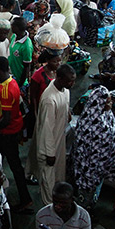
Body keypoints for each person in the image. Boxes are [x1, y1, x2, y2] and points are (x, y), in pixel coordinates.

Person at [0, 56, 33, 212]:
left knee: (7, 165)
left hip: (7, 133)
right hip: (14, 129)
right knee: (5, 163)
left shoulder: (5, 91)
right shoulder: (11, 82)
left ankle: (24, 199)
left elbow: (6, 119)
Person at [70, 86, 115, 212]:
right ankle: (82, 213)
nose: (110, 103)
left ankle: (90, 208)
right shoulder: (90, 122)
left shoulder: (106, 114)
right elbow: (85, 149)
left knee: (95, 193)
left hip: (100, 167)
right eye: (107, 101)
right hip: (89, 169)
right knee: (86, 195)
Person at [36, 64, 76, 206]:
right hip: (49, 148)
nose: (72, 84)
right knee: (49, 180)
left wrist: (67, 114)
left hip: (59, 141)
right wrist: (50, 153)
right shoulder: (49, 99)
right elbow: (47, 129)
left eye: (73, 80)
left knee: (57, 176)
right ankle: (49, 207)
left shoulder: (64, 90)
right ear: (59, 78)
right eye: (69, 81)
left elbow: (64, 106)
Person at [8, 16, 33, 86]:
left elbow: (26, 67)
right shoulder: (14, 36)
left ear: (17, 28)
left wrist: (20, 85)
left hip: (19, 80)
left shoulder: (26, 45)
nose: (11, 27)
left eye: (12, 25)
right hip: (11, 76)